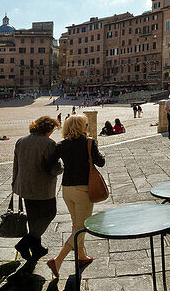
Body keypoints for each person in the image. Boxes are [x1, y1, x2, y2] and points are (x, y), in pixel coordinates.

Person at [47, 115, 104, 278]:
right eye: (85, 124)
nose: (87, 126)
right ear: (81, 127)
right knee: (82, 226)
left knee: (76, 224)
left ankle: (82, 257)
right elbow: (101, 162)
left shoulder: (61, 145)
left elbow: (51, 164)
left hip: (66, 189)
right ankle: (58, 260)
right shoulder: (89, 142)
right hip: (83, 189)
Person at [10, 115, 61, 263]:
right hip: (43, 188)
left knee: (33, 218)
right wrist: (62, 167)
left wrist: (15, 183)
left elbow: (16, 165)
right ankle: (24, 243)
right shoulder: (50, 144)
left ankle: (37, 248)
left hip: (25, 186)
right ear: (49, 129)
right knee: (50, 213)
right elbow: (54, 169)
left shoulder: (21, 141)